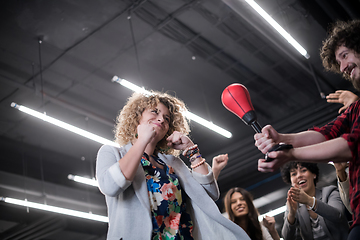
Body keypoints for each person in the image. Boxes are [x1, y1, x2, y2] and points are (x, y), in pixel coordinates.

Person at [254, 20, 360, 239]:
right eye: (338, 62)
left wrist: (290, 153)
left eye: (344, 55)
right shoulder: (356, 108)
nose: (342, 68)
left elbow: (352, 145)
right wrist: (282, 137)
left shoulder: (328, 193)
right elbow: (325, 133)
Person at [96, 91, 250, 240]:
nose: (161, 119)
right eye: (154, 112)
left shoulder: (172, 163)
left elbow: (209, 195)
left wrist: (192, 151)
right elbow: (111, 186)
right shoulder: (112, 153)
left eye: (167, 118)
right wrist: (142, 140)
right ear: (137, 117)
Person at [280, 162, 348, 240]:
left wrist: (309, 201)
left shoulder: (330, 192)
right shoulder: (293, 204)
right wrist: (291, 214)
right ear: (291, 181)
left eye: (303, 170)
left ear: (314, 174)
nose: (299, 175)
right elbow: (286, 237)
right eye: (294, 174)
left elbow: (339, 216)